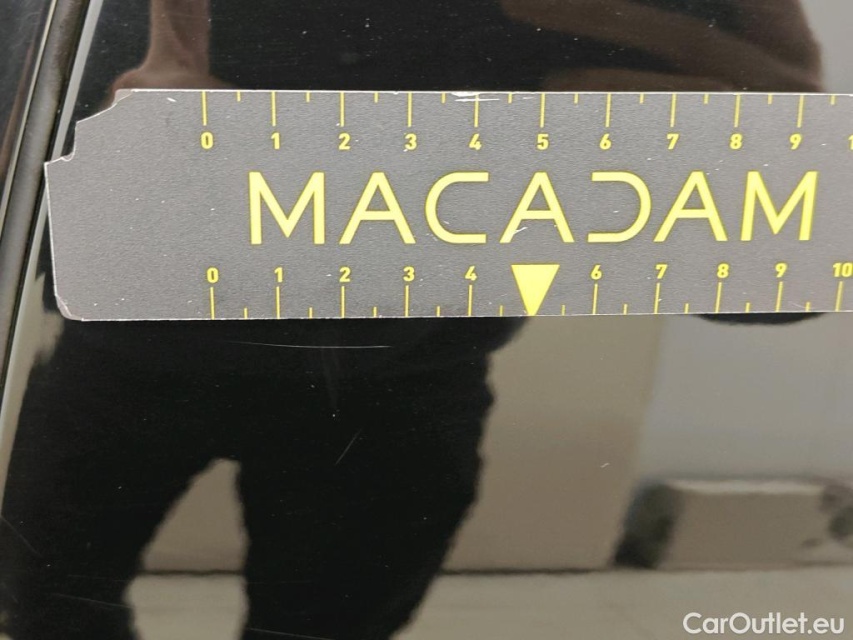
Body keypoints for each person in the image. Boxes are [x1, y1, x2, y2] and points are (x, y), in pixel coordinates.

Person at [0, 1, 822, 638]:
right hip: (132, 363)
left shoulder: (604, 11)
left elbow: (771, 296)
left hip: (393, 392)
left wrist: (774, 164)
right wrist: (114, 159)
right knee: (45, 608)